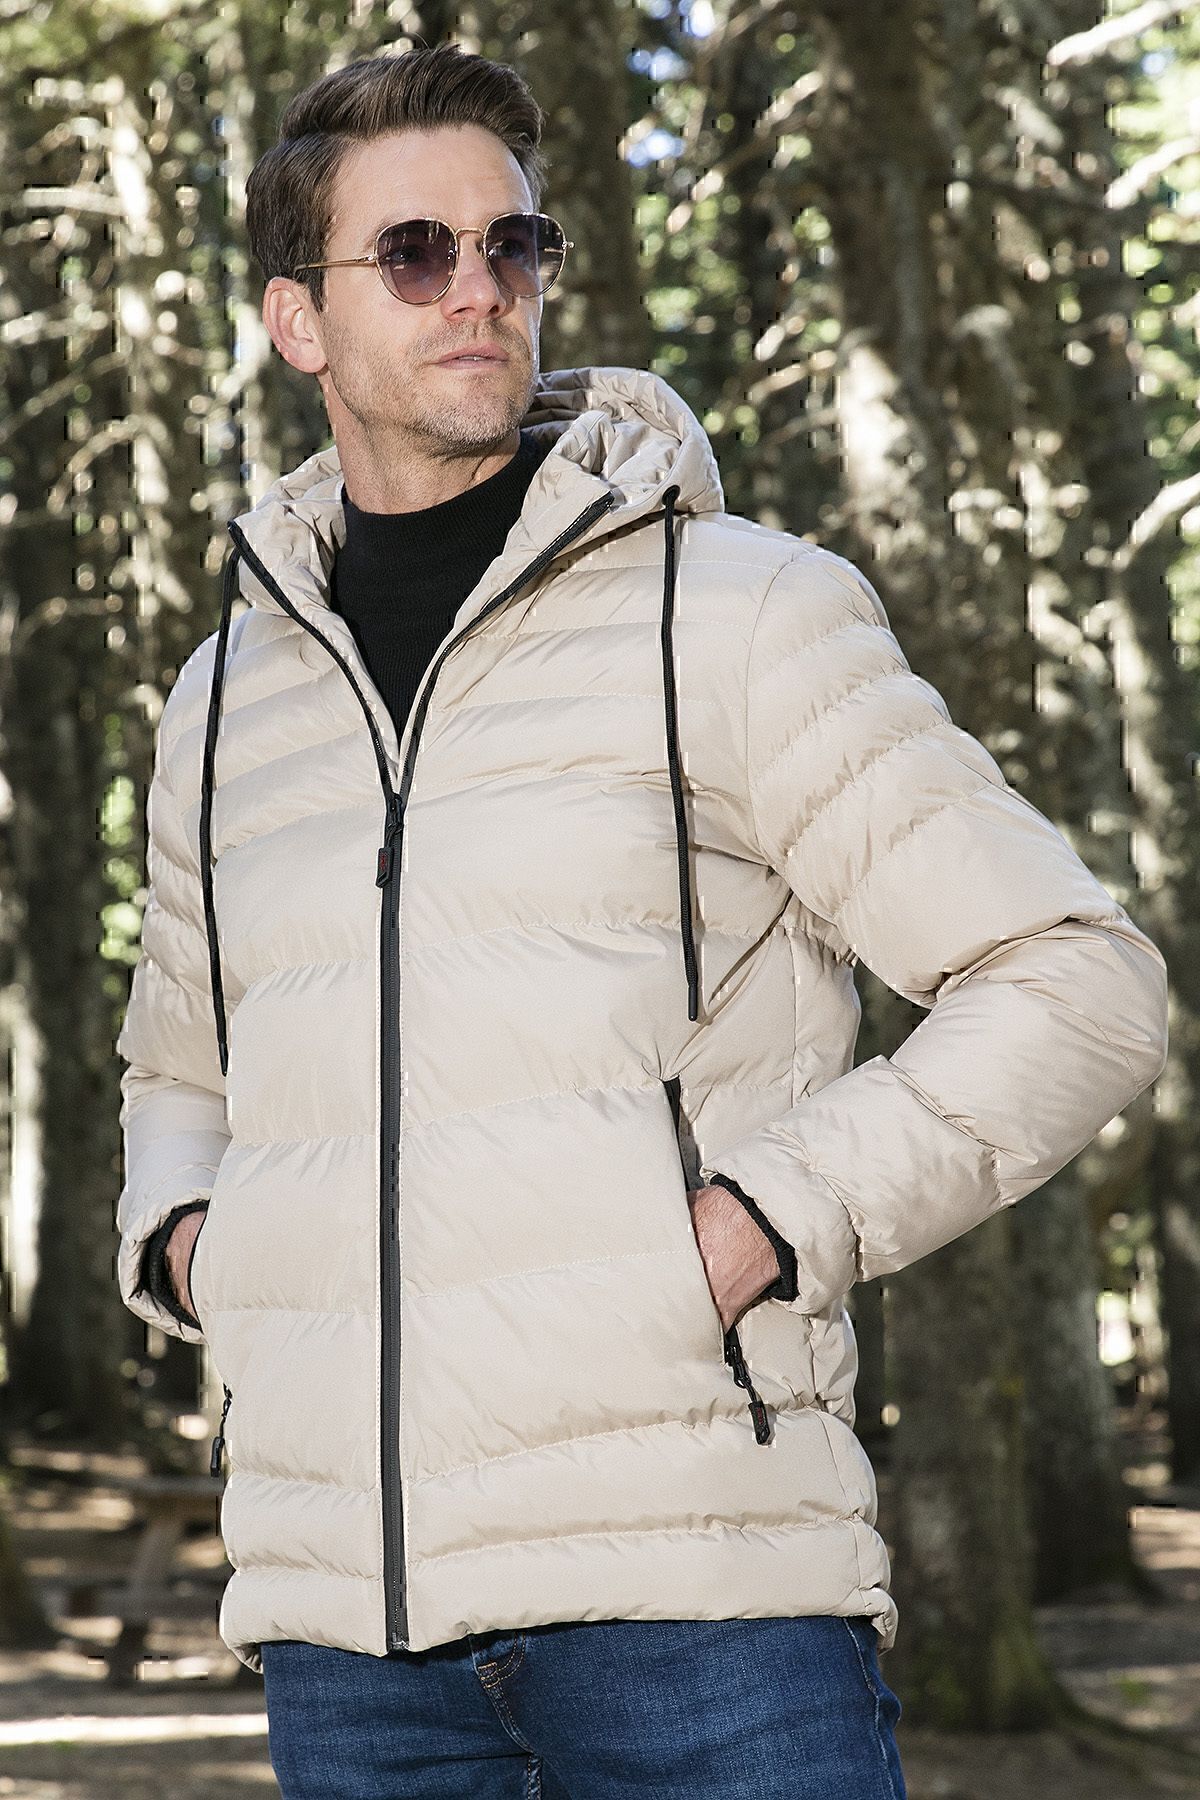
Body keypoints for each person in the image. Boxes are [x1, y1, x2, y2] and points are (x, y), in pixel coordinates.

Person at [114, 41, 1168, 1800]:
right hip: (350, 1653)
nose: (480, 289)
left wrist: (771, 1215)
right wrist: (194, 1250)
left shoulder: (740, 615)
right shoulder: (224, 707)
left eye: (512, 244)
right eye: (415, 253)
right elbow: (178, 1070)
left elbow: (1078, 982)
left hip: (704, 1619)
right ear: (298, 321)